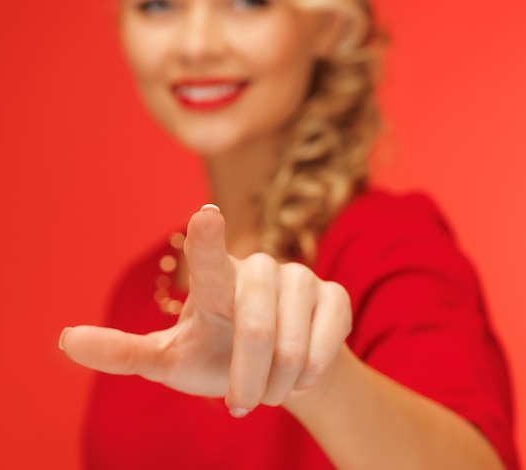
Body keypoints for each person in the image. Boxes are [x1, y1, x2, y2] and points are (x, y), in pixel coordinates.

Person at [59, 0, 520, 467]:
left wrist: (321, 378)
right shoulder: (139, 289)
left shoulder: (387, 245)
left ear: (327, 26)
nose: (196, 46)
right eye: (158, 5)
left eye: (247, 3)